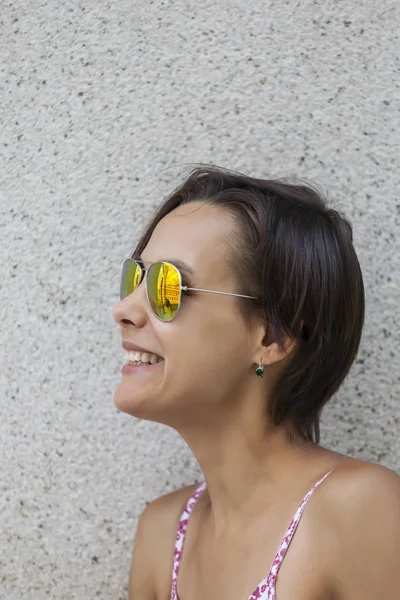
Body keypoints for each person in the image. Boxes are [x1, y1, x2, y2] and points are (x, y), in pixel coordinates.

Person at [112, 165, 400, 600]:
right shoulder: (160, 532)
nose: (125, 310)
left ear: (272, 337)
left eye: (167, 288)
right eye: (135, 279)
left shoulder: (361, 510)